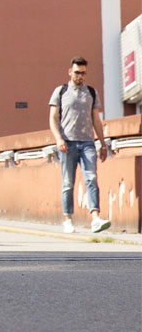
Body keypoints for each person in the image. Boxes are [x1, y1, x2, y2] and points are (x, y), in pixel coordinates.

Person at [48, 57, 110, 234]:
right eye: (77, 72)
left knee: (91, 178)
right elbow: (53, 117)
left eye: (83, 73)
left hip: (88, 142)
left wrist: (103, 144)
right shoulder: (61, 92)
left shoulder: (91, 92)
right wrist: (58, 139)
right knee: (68, 182)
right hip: (67, 143)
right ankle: (68, 219)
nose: (80, 76)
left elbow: (96, 120)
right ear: (70, 72)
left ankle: (95, 218)